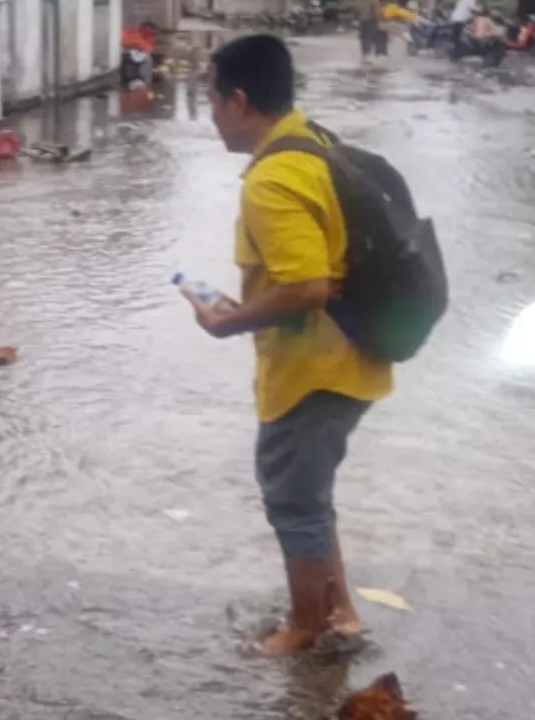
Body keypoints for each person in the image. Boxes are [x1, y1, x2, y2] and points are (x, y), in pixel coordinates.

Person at [191, 35, 393, 655]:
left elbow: (306, 285)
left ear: (240, 100)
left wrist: (230, 320)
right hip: (356, 354)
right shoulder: (319, 145)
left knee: (294, 502)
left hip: (312, 373)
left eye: (213, 100)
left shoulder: (272, 180)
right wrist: (254, 304)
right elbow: (320, 271)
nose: (211, 115)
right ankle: (342, 613)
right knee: (313, 497)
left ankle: (306, 630)